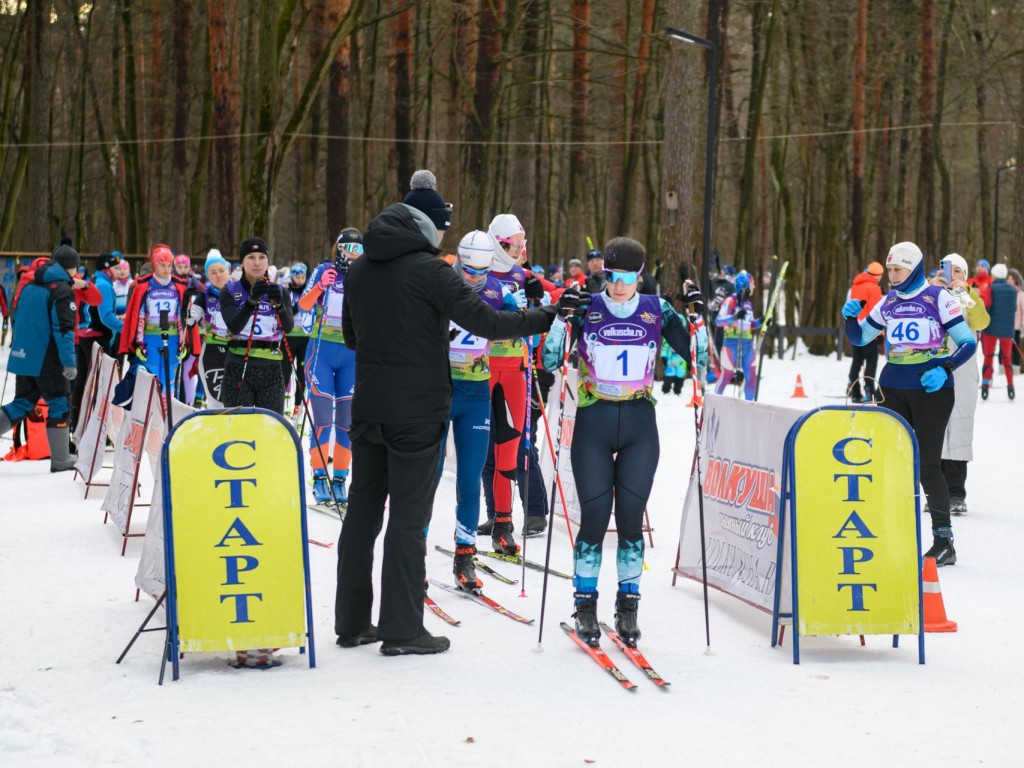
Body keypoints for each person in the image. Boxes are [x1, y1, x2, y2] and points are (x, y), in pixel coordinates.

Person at [335, 196, 562, 657]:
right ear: (426, 230)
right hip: (417, 412)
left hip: (370, 406)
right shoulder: (431, 270)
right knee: (407, 518)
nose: (442, 238)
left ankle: (353, 621)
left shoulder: (358, 270)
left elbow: (353, 336)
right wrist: (546, 315)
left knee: (362, 514)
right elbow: (489, 322)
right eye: (441, 229)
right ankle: (401, 629)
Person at [542, 236, 692, 647]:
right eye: (612, 276)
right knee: (592, 520)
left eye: (627, 276)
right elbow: (551, 361)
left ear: (639, 275)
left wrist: (696, 318)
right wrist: (560, 318)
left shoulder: (657, 310)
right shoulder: (588, 307)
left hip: (640, 424)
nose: (619, 284)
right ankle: (585, 606)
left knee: (630, 521)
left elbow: (698, 358)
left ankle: (628, 608)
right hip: (594, 419)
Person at [843, 241, 977, 566]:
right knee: (890, 462)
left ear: (913, 268)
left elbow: (967, 343)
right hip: (892, 387)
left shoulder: (937, 297)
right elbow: (861, 338)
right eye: (889, 269)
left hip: (931, 390)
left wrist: (944, 367)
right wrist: (850, 321)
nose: (891, 275)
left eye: (897, 269)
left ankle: (944, 541)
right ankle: (893, 534)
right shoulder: (889, 301)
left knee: (927, 465)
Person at [439, 230, 525, 591]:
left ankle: (465, 554)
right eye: (467, 269)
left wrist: (530, 311)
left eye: (481, 270)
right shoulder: (440, 283)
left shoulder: (497, 290)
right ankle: (412, 560)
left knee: (470, 477)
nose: (473, 277)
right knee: (427, 477)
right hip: (439, 391)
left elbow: (519, 326)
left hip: (476, 393)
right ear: (457, 259)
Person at [0, 242, 81, 471]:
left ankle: (61, 457)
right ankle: (61, 458)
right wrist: (68, 362)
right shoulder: (61, 290)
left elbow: (18, 319)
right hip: (48, 358)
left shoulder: (30, 284)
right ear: (71, 268)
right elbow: (64, 329)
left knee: (23, 403)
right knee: (60, 403)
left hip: (25, 355)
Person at [298, 230, 362, 506]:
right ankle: (320, 476)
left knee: (346, 423)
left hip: (352, 355)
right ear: (338, 248)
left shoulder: (367, 274)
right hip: (321, 352)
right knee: (323, 418)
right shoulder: (324, 269)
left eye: (358, 249)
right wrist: (320, 286)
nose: (353, 254)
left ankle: (340, 479)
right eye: (348, 248)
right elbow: (303, 304)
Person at [932, 253, 989, 517]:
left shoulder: (969, 297)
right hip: (934, 370)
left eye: (958, 271)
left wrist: (966, 293)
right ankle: (937, 492)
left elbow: (981, 322)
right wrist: (933, 288)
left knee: (960, 429)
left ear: (965, 276)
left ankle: (957, 493)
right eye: (949, 270)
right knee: (936, 430)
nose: (953, 275)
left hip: (963, 373)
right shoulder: (931, 294)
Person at [219, 237, 294, 412]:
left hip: (271, 369)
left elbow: (288, 327)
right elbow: (234, 326)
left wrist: (279, 305)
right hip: (238, 366)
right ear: (242, 262)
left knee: (269, 428)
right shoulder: (230, 290)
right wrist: (251, 302)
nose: (257, 263)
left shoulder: (280, 291)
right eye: (251, 257)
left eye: (262, 257)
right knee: (238, 427)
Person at [119, 244, 190, 397]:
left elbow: (181, 316)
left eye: (169, 265)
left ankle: (168, 417)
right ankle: (150, 417)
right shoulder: (146, 286)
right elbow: (140, 316)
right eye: (162, 265)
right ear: (154, 265)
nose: (166, 269)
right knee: (151, 382)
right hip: (150, 339)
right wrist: (139, 343)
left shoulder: (177, 287)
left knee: (170, 384)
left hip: (172, 339)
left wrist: (183, 342)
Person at [185, 250, 232, 408]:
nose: (218, 275)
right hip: (212, 352)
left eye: (221, 270)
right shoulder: (204, 296)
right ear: (208, 276)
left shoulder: (239, 293)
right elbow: (190, 320)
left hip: (236, 351)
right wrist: (186, 303)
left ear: (228, 271)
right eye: (213, 272)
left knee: (235, 399)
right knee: (216, 399)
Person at [715, 270, 760, 400]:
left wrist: (760, 322)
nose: (754, 287)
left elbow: (749, 325)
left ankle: (749, 405)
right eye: (752, 284)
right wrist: (734, 317)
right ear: (745, 284)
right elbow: (718, 321)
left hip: (747, 345)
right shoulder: (730, 301)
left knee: (751, 377)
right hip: (731, 345)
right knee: (726, 377)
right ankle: (716, 403)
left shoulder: (748, 304)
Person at [846, 261, 885, 402]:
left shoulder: (855, 286)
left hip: (855, 330)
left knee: (857, 361)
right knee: (871, 362)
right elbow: (875, 313)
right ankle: (869, 390)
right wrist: (879, 333)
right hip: (869, 332)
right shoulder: (874, 288)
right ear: (877, 276)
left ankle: (854, 391)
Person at [980, 262, 1016, 400]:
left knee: (988, 357)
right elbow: (1013, 310)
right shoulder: (1013, 291)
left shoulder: (991, 289)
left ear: (994, 275)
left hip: (991, 329)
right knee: (1007, 358)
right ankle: (1011, 386)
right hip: (1007, 330)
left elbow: (987, 307)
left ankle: (985, 386)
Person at [283, 262, 310, 417]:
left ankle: (297, 408)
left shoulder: (309, 292)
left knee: (302, 374)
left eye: (302, 277)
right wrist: (300, 305)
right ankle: (282, 404)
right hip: (288, 338)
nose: (300, 280)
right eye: (297, 277)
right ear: (292, 277)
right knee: (285, 372)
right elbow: (286, 314)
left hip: (305, 339)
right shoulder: (286, 292)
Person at [1007, 268, 1024, 372]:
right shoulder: (1006, 293)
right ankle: (1003, 369)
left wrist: (1022, 327)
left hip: (1016, 327)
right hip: (1005, 326)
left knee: (1015, 348)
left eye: (1011, 278)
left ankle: (1016, 368)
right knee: (1004, 349)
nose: (1009, 280)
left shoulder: (1021, 294)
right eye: (1008, 278)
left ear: (1016, 280)